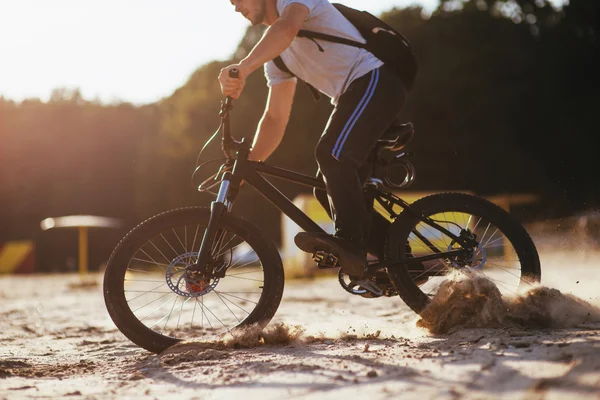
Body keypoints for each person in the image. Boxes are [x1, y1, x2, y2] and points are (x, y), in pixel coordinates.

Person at [219, 0, 407, 277]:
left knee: (331, 154)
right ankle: (404, 265)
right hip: (355, 95)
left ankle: (352, 246)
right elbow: (274, 118)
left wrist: (244, 68)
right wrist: (247, 167)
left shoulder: (293, 5)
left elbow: (286, 28)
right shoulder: (278, 57)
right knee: (324, 188)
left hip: (375, 81)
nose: (234, 6)